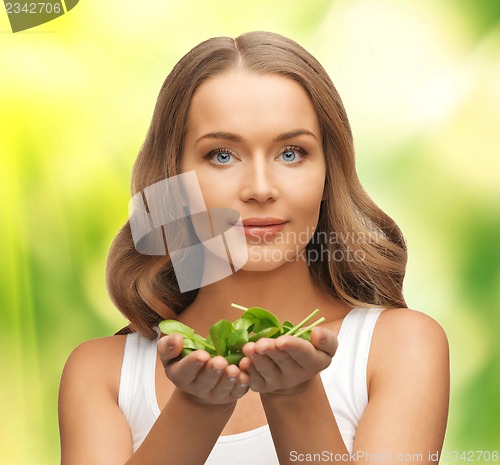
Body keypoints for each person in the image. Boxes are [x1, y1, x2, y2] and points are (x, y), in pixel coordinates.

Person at [58, 31, 450, 465]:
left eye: (291, 153)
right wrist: (197, 409)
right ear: (174, 182)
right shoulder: (101, 373)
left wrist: (296, 394)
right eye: (222, 155)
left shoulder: (400, 345)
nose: (261, 189)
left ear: (327, 175)